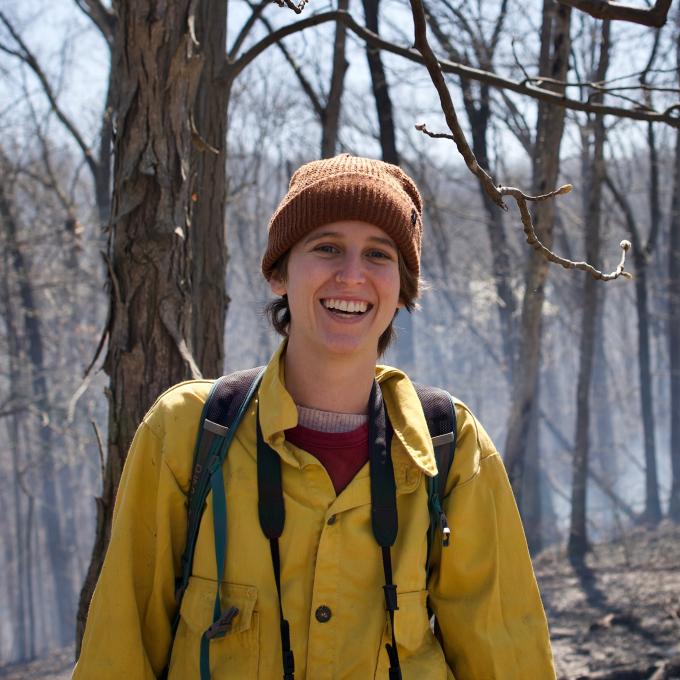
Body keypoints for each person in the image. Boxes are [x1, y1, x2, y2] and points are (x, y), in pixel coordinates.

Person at [74, 154, 556, 679]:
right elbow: (118, 652)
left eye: (378, 254)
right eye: (326, 247)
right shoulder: (189, 433)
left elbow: (508, 660)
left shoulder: (451, 449)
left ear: (401, 289)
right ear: (280, 272)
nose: (352, 275)